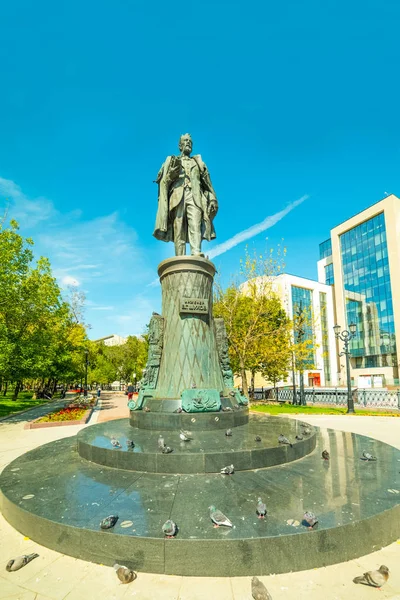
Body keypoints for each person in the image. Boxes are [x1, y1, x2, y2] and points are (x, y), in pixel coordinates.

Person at [153, 133, 218, 256]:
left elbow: (208, 184)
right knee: (179, 229)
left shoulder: (198, 163)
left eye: (190, 141)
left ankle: (196, 252)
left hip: (195, 197)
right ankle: (180, 257)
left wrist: (213, 198)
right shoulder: (172, 161)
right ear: (180, 145)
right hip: (177, 196)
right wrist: (169, 176)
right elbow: (164, 182)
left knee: (196, 224)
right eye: (185, 141)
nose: (188, 143)